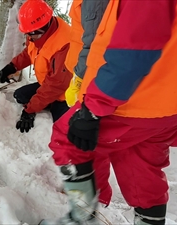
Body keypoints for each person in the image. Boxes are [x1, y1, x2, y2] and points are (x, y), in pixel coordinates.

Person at [41, 0, 177, 224]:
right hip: (173, 101)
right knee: (140, 162)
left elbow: (134, 49)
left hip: (135, 97)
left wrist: (93, 107)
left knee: (70, 139)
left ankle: (82, 217)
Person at [0, 0, 72, 133]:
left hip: (66, 92)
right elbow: (30, 52)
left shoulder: (64, 44)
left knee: (64, 129)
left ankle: (58, 106)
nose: (27, 37)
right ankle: (46, 101)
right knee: (20, 96)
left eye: (30, 33)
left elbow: (56, 84)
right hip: (48, 83)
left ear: (41, 28)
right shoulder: (38, 33)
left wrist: (30, 110)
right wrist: (11, 67)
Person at [63, 0, 112, 207]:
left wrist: (81, 79)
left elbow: (93, 42)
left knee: (73, 141)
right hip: (94, 77)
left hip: (93, 80)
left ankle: (83, 211)